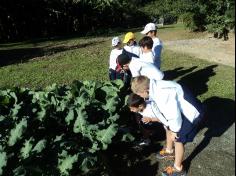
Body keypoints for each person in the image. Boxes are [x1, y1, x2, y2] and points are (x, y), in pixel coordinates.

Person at [131, 75, 205, 176]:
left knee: (178, 139)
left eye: (139, 94)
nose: (140, 97)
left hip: (191, 113)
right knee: (170, 129)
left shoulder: (161, 94)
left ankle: (178, 169)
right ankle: (170, 151)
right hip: (181, 108)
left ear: (145, 90)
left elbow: (174, 115)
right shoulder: (153, 86)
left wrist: (174, 131)